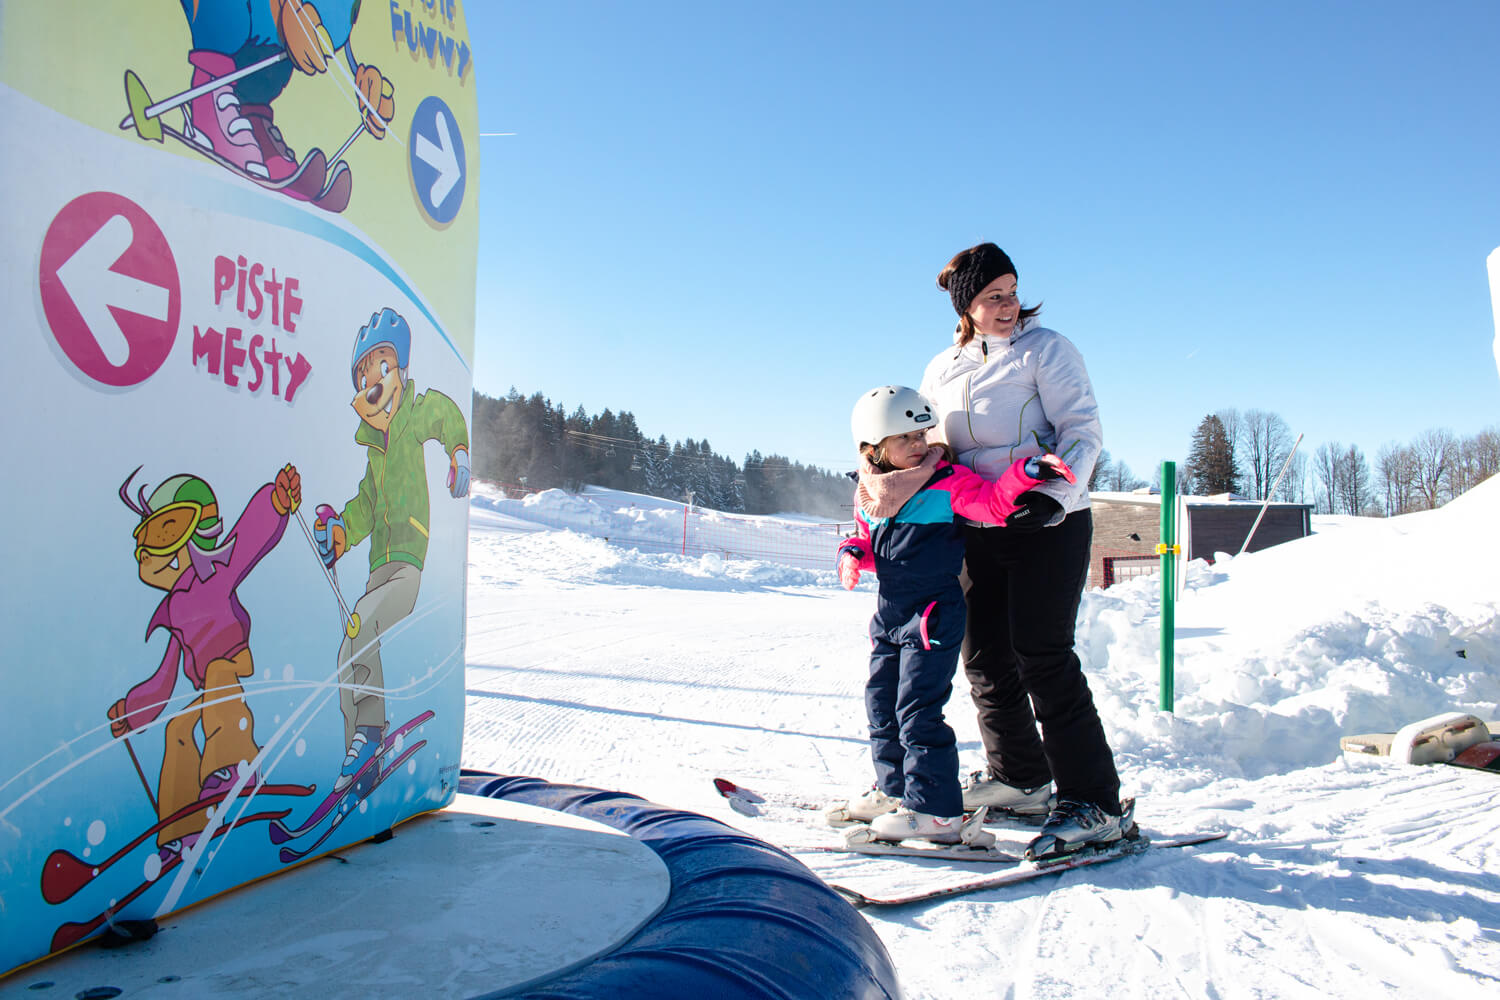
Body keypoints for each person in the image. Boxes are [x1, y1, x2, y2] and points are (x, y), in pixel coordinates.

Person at [920, 242, 1130, 859]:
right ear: (967, 305)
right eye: (994, 297)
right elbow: (937, 448)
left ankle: (1096, 802)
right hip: (978, 524)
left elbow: (1082, 432)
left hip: (1046, 522)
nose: (1009, 306)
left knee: (1043, 654)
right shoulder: (943, 368)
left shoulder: (1047, 349)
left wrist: (1059, 497)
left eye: (1012, 292)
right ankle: (1020, 776)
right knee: (983, 655)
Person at [834, 385, 1074, 843]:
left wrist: (1025, 472)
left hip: (931, 613)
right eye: (905, 438)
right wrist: (851, 551)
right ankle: (897, 790)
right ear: (873, 448)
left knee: (917, 710)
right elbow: (868, 540)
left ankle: (937, 812)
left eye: (921, 434)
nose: (920, 444)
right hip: (889, 614)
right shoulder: (871, 491)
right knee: (881, 706)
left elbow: (993, 503)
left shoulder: (945, 484)